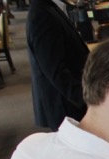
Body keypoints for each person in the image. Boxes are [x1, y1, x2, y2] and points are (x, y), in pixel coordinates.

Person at [26, 0, 90, 130]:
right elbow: (56, 71)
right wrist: (87, 100)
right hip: (65, 106)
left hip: (69, 102)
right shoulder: (42, 14)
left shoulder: (49, 7)